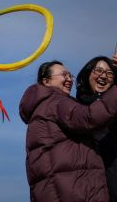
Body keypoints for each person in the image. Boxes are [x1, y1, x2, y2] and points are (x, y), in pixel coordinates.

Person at [19, 60, 117, 202]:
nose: (69, 79)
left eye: (70, 75)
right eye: (64, 75)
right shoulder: (55, 101)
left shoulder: (40, 108)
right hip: (72, 191)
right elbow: (90, 117)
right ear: (46, 81)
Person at [76, 56, 117, 202]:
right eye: (98, 70)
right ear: (87, 74)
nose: (103, 75)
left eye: (110, 73)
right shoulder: (75, 108)